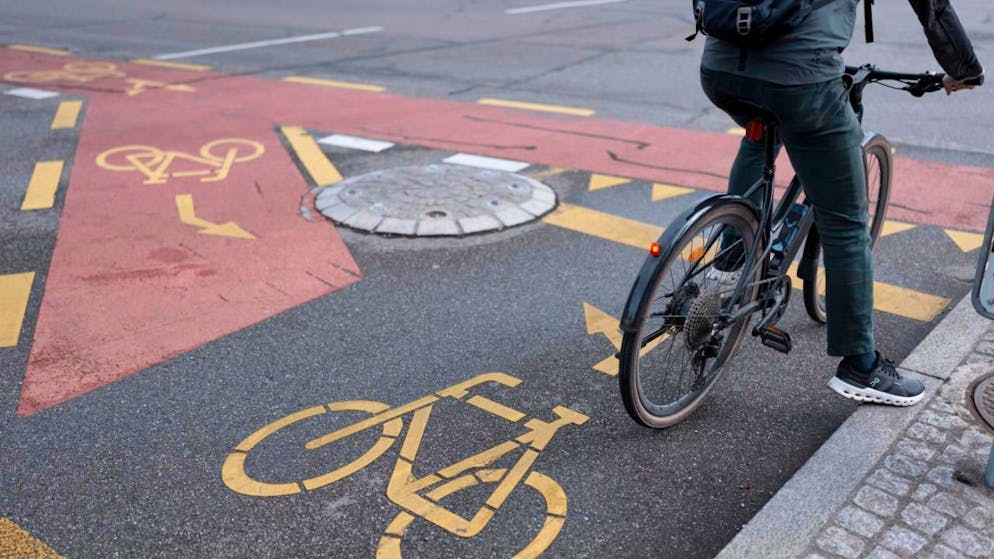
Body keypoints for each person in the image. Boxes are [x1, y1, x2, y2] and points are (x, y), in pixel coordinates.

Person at [699, 0, 984, 406]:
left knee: (762, 127)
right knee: (846, 221)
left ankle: (729, 261)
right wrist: (964, 69)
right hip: (802, 79)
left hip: (719, 68)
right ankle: (861, 367)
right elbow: (932, 7)